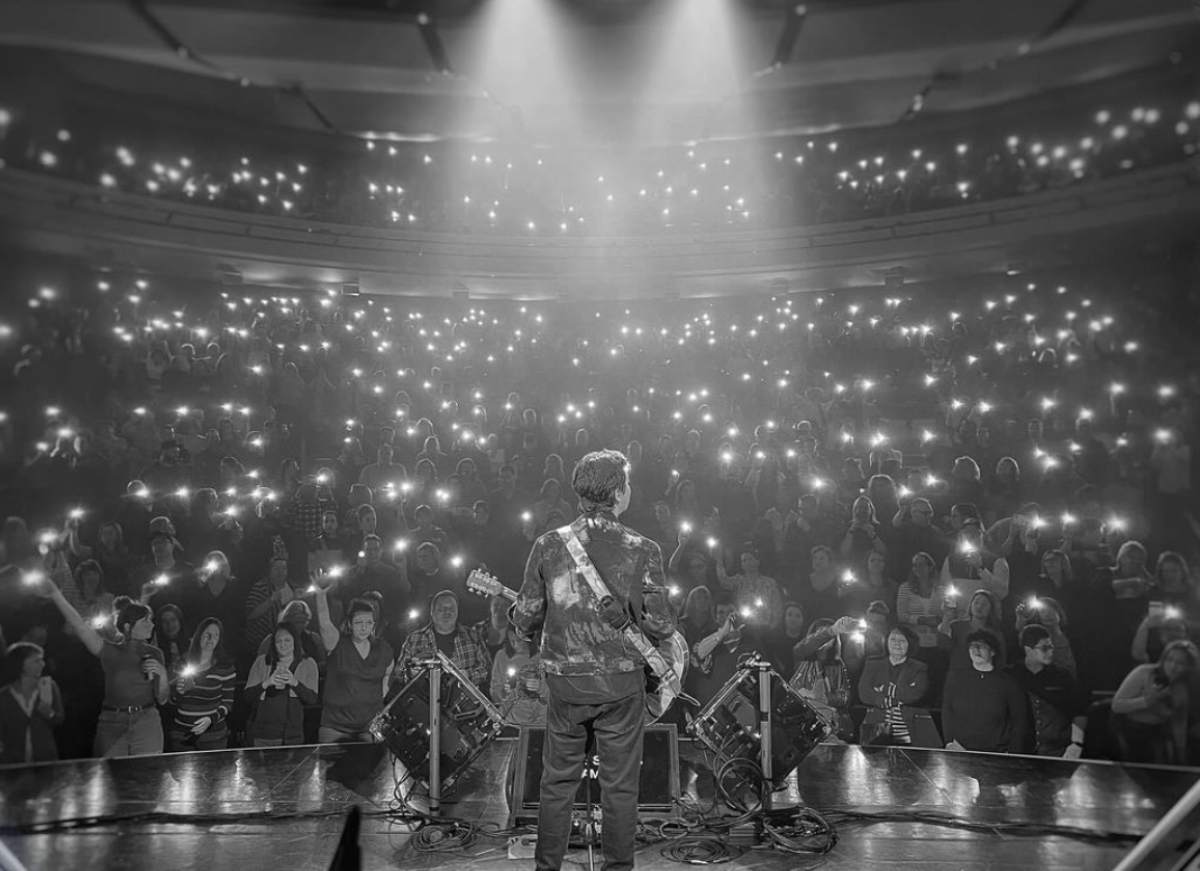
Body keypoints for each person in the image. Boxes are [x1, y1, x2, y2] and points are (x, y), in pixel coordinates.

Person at [510, 449, 675, 871]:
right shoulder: (644, 548)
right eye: (629, 485)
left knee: (557, 784)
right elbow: (660, 624)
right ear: (619, 492)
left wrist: (522, 624)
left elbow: (527, 613)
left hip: (566, 685)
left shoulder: (548, 545)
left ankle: (548, 867)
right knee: (619, 788)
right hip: (621, 686)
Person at [35, 579, 169, 756]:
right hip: (112, 722)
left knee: (147, 776)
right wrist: (55, 594)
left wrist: (162, 673)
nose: (152, 625)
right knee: (110, 778)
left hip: (146, 720)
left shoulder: (155, 653)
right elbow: (80, 626)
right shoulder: (109, 651)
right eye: (146, 622)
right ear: (128, 627)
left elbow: (163, 698)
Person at [312, 584, 394, 743]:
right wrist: (320, 596)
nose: (364, 627)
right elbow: (324, 623)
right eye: (359, 622)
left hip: (369, 727)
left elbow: (389, 673)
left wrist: (380, 697)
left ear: (373, 625)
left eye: (368, 623)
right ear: (350, 623)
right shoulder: (338, 644)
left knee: (369, 766)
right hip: (335, 726)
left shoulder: (383, 648)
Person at [1111, 639, 1199, 765]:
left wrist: (1181, 753)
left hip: (1157, 733)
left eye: (1180, 663)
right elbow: (1116, 705)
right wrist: (1148, 700)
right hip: (1129, 730)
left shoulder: (1182, 688)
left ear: (1188, 667)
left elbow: (1179, 723)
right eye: (1170, 660)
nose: (1173, 666)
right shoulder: (1143, 673)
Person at [941, 630, 1029, 753]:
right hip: (960, 750)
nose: (976, 650)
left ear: (992, 651)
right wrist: (950, 742)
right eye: (972, 646)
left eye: (981, 646)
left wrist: (1013, 752)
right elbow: (947, 711)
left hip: (997, 753)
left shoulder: (1008, 683)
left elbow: (1019, 720)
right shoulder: (956, 678)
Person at [1006, 625, 1086, 758]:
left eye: (1051, 647)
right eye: (1044, 648)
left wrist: (1076, 744)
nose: (1051, 652)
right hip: (1022, 752)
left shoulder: (1062, 676)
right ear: (1028, 649)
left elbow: (1079, 710)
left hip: (1058, 750)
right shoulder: (1012, 675)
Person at [857, 625, 939, 747]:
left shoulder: (919, 667)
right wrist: (886, 698)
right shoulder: (872, 664)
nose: (897, 644)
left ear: (910, 644)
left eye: (902, 641)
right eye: (893, 640)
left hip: (909, 727)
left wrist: (884, 689)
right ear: (886, 642)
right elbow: (864, 693)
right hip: (876, 727)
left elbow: (914, 694)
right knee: (875, 762)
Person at [394, 589, 492, 690]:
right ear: (432, 612)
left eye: (452, 609)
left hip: (462, 702)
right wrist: (411, 673)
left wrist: (468, 676)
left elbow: (487, 668)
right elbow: (398, 673)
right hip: (424, 702)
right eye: (441, 609)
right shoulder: (414, 639)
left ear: (457, 611)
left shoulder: (473, 637)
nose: (447, 612)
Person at [167, 617, 238, 752]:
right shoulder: (184, 661)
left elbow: (228, 703)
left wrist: (211, 719)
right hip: (182, 732)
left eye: (216, 635)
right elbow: (171, 701)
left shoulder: (225, 667)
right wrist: (179, 692)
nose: (211, 638)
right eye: (207, 634)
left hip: (213, 735)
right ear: (198, 635)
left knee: (213, 772)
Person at [244, 623, 320, 746]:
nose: (283, 644)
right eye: (278, 641)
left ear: (295, 641)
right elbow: (247, 696)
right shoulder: (262, 662)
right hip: (261, 735)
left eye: (287, 640)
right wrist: (267, 683)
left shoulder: (308, 664)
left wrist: (294, 682)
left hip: (291, 737)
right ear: (273, 643)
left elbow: (312, 699)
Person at [0, 642, 64, 764]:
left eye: (42, 660)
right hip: (13, 763)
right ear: (22, 664)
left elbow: (59, 719)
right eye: (36, 661)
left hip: (45, 760)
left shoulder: (49, 687)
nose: (43, 664)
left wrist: (49, 714)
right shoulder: (4, 696)